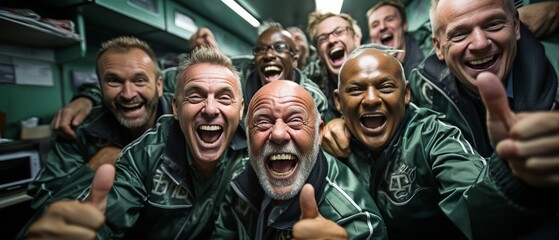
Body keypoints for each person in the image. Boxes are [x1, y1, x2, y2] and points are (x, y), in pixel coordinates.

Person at [320, 44, 559, 239]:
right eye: (355, 90)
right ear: (338, 101)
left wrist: (507, 177)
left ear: (406, 94)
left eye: (385, 86)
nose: (371, 99)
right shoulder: (333, 145)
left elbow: (474, 208)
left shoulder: (432, 136)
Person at [20, 47, 249, 239]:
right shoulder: (143, 154)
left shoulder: (253, 156)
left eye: (224, 97)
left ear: (241, 110)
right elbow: (105, 219)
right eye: (195, 96)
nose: (209, 109)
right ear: (176, 108)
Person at [212, 80, 387, 239]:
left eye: (295, 120)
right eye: (264, 122)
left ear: (318, 134)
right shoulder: (238, 178)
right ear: (248, 135)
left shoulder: (355, 223)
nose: (278, 134)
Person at [25, 36, 172, 211]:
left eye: (139, 80)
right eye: (114, 81)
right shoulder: (80, 129)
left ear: (159, 85)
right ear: (100, 87)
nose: (128, 94)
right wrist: (92, 169)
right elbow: (43, 204)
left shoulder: (186, 121)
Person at [409, 0, 558, 158]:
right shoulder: (425, 92)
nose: (480, 44)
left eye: (493, 24)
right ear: (438, 48)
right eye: (460, 34)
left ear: (515, 26)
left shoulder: (554, 87)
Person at [243, 24, 327, 118]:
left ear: (294, 61)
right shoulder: (239, 83)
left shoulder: (314, 98)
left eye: (280, 47)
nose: (269, 55)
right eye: (261, 49)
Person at [304, 11, 362, 122]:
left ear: (356, 39)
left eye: (339, 32)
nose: (331, 40)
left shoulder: (382, 68)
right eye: (322, 39)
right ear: (319, 55)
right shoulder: (310, 87)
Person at [366, 0, 433, 78]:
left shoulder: (433, 46)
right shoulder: (373, 77)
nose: (382, 27)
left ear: (404, 25)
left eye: (389, 19)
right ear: (372, 39)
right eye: (375, 25)